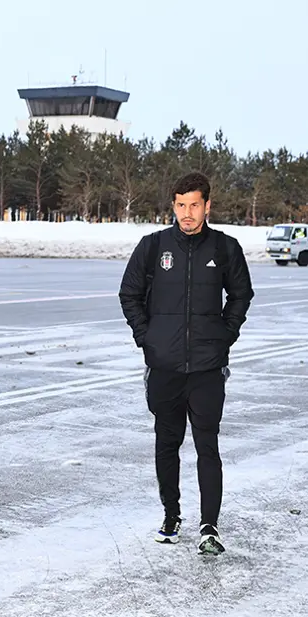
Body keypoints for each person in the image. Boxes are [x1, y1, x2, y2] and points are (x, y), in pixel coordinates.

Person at [118, 171, 254, 554]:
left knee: (207, 446)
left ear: (207, 205)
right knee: (167, 443)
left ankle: (209, 527)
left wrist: (225, 335)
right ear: (173, 206)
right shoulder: (153, 246)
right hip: (164, 367)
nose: (187, 213)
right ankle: (171, 516)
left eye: (194, 205)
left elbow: (241, 295)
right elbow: (129, 294)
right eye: (181, 205)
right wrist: (147, 339)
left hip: (207, 369)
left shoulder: (225, 248)